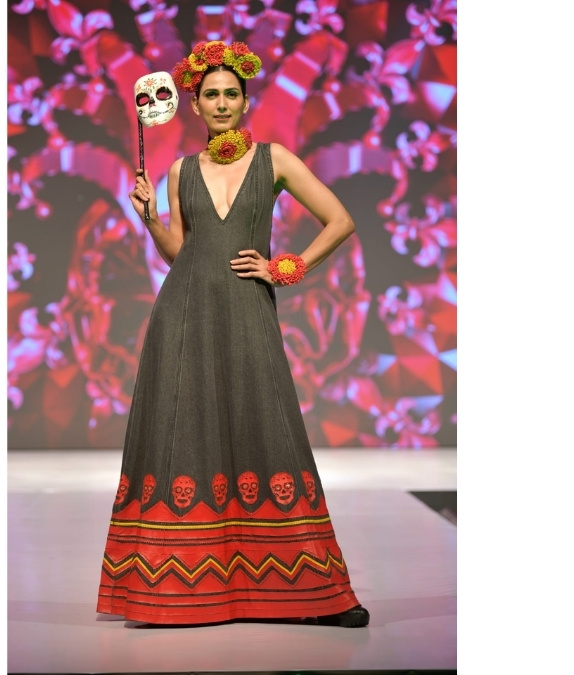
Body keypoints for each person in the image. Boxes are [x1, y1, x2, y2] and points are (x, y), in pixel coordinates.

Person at [96, 40, 369, 628]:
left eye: (231, 94)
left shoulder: (275, 160)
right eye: (211, 95)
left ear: (246, 101)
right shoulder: (180, 171)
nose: (221, 103)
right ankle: (171, 589)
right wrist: (150, 218)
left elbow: (341, 220)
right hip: (183, 313)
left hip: (247, 308)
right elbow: (181, 253)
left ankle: (312, 590)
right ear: (194, 105)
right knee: (184, 435)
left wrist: (285, 267)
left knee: (268, 427)